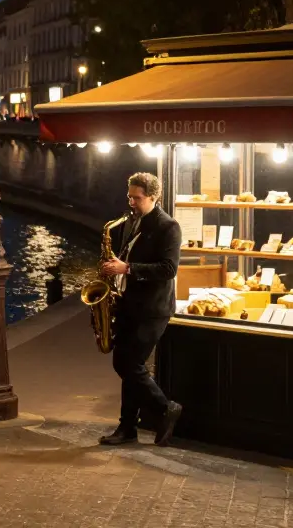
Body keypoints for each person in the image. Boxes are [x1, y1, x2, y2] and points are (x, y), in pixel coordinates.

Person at [98, 172, 183, 447]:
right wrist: (114, 265)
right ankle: (127, 428)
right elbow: (127, 257)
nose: (131, 202)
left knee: (129, 364)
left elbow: (168, 269)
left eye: (137, 197)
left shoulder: (168, 226)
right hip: (128, 301)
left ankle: (164, 408)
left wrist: (128, 268)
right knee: (124, 363)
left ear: (153, 197)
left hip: (152, 308)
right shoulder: (128, 222)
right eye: (129, 196)